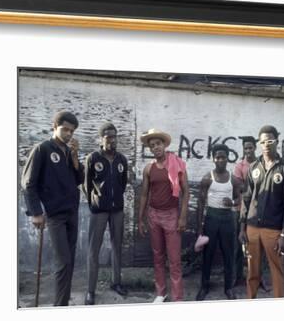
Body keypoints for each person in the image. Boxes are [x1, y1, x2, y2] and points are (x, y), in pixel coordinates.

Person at [21, 111, 83, 306]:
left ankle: (62, 304)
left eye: (71, 131)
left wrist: (75, 158)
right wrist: (36, 213)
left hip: (72, 212)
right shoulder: (42, 149)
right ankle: (59, 307)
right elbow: (28, 183)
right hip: (54, 215)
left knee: (70, 262)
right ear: (54, 126)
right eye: (65, 129)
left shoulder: (68, 151)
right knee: (63, 262)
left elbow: (80, 179)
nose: (68, 134)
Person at [238, 125, 284, 298]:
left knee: (276, 271)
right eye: (263, 141)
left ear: (277, 141)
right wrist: (242, 228)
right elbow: (246, 198)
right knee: (252, 271)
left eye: (270, 141)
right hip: (252, 228)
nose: (266, 145)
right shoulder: (253, 167)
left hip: (274, 230)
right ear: (259, 144)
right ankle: (251, 301)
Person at [138, 128, 189, 302]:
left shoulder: (177, 163)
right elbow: (144, 194)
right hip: (154, 215)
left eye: (158, 144)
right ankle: (161, 293)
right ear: (150, 149)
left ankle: (177, 297)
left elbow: (186, 191)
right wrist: (140, 219)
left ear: (164, 145)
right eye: (152, 146)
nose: (155, 147)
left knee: (174, 259)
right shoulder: (148, 168)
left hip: (171, 216)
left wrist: (182, 217)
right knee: (158, 256)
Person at [83, 123, 129, 305]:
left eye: (115, 136)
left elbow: (123, 183)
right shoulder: (93, 158)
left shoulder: (121, 160)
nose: (112, 140)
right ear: (101, 138)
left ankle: (116, 282)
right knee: (93, 250)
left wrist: (115, 198)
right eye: (109, 136)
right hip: (99, 211)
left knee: (117, 246)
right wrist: (94, 203)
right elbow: (86, 185)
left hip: (117, 210)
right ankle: (90, 290)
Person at [196, 144, 242, 301]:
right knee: (207, 254)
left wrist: (233, 202)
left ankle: (228, 287)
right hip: (211, 217)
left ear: (227, 159)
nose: (220, 160)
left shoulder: (233, 179)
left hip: (228, 219)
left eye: (223, 157)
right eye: (217, 157)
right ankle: (204, 286)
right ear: (213, 159)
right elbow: (201, 203)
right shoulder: (207, 178)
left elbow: (239, 199)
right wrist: (199, 227)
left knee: (228, 254)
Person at [232, 136, 257, 288]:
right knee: (238, 245)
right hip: (240, 210)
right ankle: (238, 277)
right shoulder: (239, 166)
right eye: (245, 148)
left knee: (255, 245)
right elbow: (239, 186)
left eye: (250, 148)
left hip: (257, 211)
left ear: (255, 147)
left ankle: (256, 278)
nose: (248, 151)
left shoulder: (261, 163)